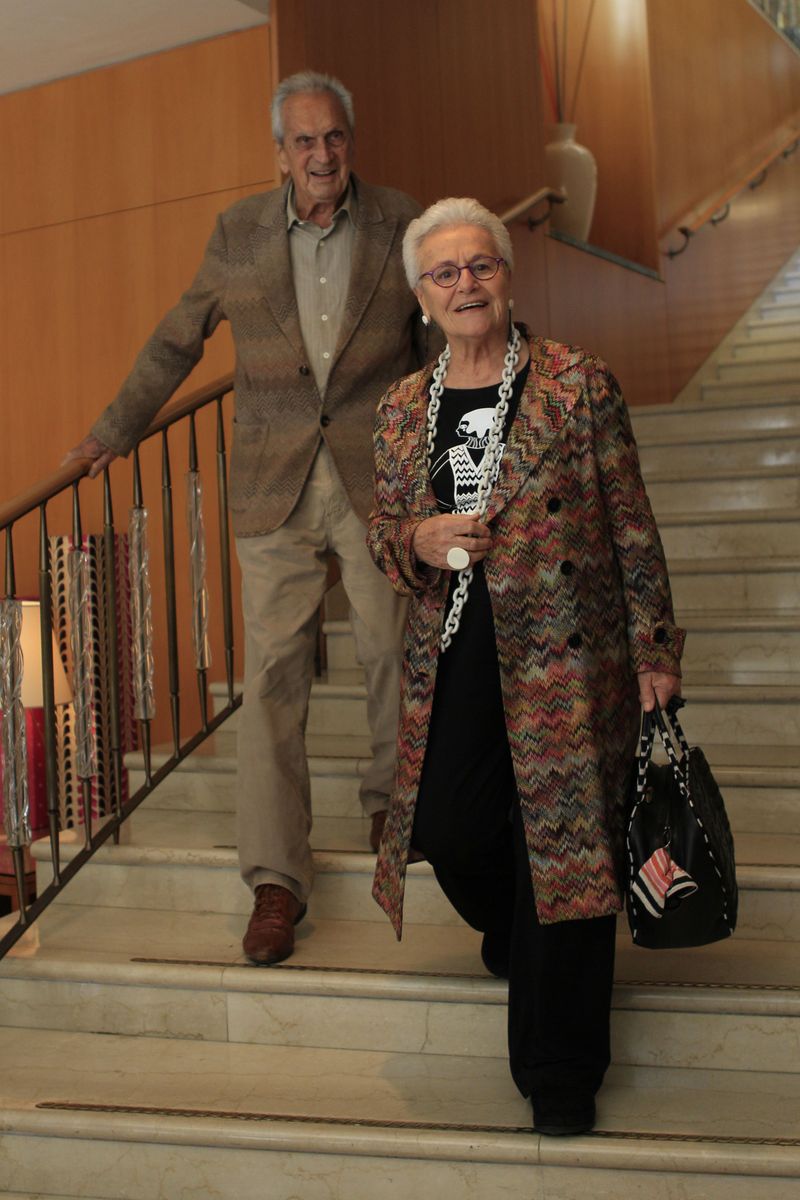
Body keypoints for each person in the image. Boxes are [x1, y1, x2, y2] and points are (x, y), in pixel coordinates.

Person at [63, 71, 433, 966]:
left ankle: (393, 808)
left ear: (351, 141)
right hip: (273, 487)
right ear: (280, 153)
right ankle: (276, 879)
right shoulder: (237, 232)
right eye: (303, 141)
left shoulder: (402, 220)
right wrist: (114, 429)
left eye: (334, 137)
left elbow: (437, 341)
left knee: (394, 649)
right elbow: (177, 336)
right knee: (270, 682)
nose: (321, 154)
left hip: (377, 480)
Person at [366, 197, 684, 1136]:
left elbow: (631, 522)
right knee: (449, 826)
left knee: (572, 856)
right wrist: (415, 538)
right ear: (422, 298)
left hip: (568, 660)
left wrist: (656, 647)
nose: (466, 285)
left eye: (482, 266)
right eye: (445, 273)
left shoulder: (577, 385)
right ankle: (511, 928)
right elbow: (385, 535)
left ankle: (561, 1073)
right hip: (453, 653)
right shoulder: (398, 409)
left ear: (508, 276)